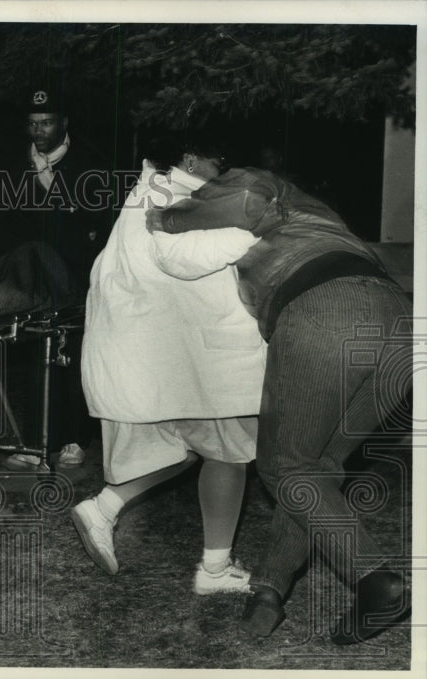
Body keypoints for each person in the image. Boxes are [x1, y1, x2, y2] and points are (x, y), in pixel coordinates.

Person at [148, 165, 412, 643]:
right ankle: (268, 593)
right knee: (317, 468)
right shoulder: (318, 217)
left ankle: (375, 578)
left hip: (329, 308)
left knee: (284, 467)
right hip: (398, 321)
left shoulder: (263, 187)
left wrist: (166, 219)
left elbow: (244, 191)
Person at [71, 138, 267, 596]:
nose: (226, 170)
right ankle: (213, 573)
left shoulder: (152, 190)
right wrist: (258, 231)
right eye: (221, 160)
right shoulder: (173, 198)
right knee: (230, 454)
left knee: (185, 450)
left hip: (159, 358)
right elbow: (183, 260)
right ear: (192, 158)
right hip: (184, 360)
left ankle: (103, 508)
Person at [2, 86, 111, 471]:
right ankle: (34, 440)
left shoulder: (91, 164)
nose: (39, 131)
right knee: (34, 354)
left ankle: (74, 438)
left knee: (73, 355)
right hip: (30, 279)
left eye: (46, 123)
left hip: (75, 278)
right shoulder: (14, 164)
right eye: (32, 124)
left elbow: (101, 224)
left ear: (64, 124)